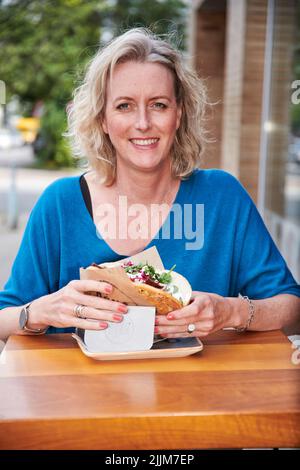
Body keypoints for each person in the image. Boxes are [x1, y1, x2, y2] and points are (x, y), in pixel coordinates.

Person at [0, 28, 299, 342]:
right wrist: (37, 312)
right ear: (102, 119)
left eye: (158, 105)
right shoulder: (60, 204)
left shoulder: (222, 197)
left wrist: (231, 311)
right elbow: (4, 318)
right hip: (76, 390)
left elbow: (292, 311)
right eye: (124, 106)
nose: (143, 123)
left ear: (179, 113)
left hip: (199, 389)